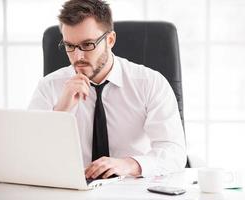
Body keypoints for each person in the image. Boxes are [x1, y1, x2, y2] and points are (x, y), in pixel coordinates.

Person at [28, 0, 186, 179]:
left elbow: (174, 152)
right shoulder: (49, 87)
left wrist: (129, 164)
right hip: (71, 189)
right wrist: (60, 112)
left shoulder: (149, 83)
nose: (77, 56)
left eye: (87, 45)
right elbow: (30, 155)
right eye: (69, 46)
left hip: (132, 187)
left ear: (110, 40)